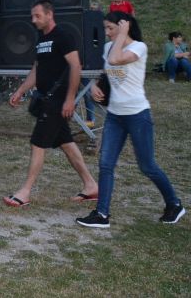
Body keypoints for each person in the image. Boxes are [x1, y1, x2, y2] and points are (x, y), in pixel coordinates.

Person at [77, 12, 186, 228]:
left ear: (123, 26)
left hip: (137, 115)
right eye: (105, 28)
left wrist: (122, 34)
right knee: (106, 164)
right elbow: (107, 70)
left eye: (110, 28)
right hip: (114, 116)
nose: (106, 33)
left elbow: (116, 60)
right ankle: (102, 214)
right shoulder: (109, 47)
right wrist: (95, 85)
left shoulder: (139, 47)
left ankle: (174, 204)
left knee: (147, 166)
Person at [5, 0, 98, 208]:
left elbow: (76, 66)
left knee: (38, 143)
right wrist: (20, 90)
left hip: (58, 101)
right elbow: (37, 69)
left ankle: (25, 192)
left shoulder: (63, 36)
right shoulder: (41, 39)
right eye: (32, 16)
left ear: (49, 14)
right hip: (45, 98)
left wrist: (70, 99)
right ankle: (91, 185)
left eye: (37, 15)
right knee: (66, 143)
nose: (33, 20)